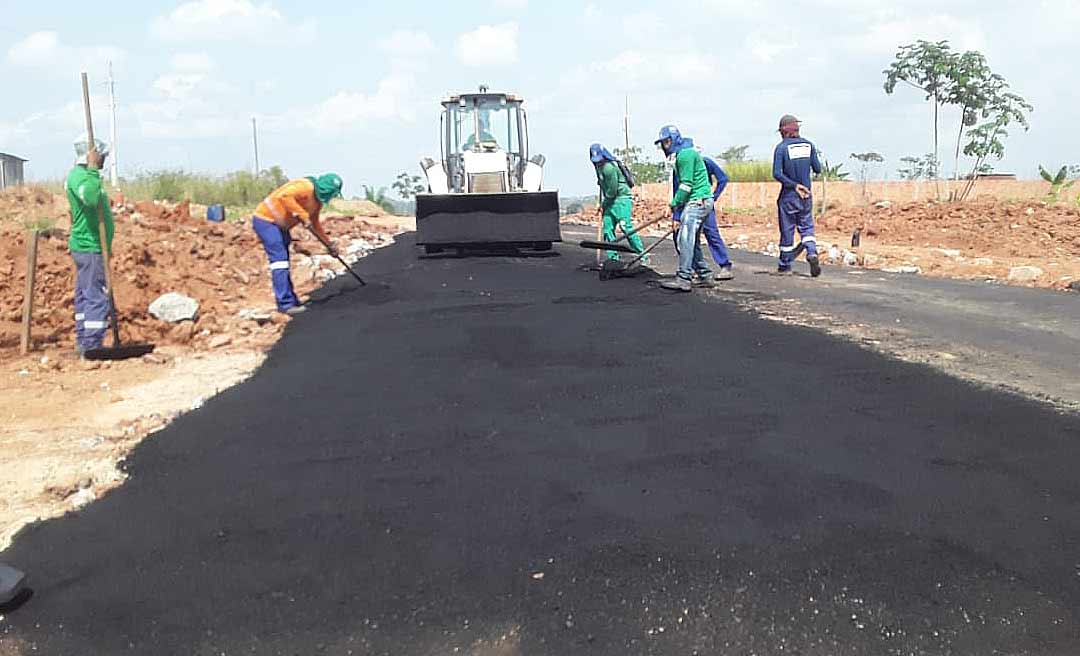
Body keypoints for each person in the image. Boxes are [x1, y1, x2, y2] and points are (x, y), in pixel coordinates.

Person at [252, 174, 343, 314]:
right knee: (279, 262)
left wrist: (329, 245)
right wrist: (302, 214)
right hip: (266, 221)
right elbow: (284, 196)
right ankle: (285, 304)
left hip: (281, 227)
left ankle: (291, 299)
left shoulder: (317, 203)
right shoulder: (305, 186)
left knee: (284, 262)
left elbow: (315, 225)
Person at [66, 136, 114, 355]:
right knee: (95, 294)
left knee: (85, 293)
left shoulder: (85, 176)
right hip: (89, 246)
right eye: (101, 156)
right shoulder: (81, 176)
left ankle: (84, 340)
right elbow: (91, 198)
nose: (104, 159)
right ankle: (92, 345)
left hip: (92, 247)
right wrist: (93, 169)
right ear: (91, 155)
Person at [655, 125, 714, 292]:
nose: (664, 147)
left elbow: (686, 186)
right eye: (663, 143)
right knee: (692, 242)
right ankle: (705, 274)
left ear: (673, 140)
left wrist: (672, 205)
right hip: (701, 201)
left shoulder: (685, 156)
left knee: (684, 239)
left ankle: (683, 279)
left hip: (697, 202)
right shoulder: (687, 153)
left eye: (666, 142)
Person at [772, 114, 823, 277]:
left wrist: (794, 185)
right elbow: (818, 169)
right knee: (807, 227)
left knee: (787, 230)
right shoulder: (809, 145)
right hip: (806, 195)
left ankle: (785, 266)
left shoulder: (781, 148)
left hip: (789, 196)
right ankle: (812, 252)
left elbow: (777, 173)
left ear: (783, 131)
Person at [674, 154, 733, 279]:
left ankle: (724, 265)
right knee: (684, 238)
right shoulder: (679, 166)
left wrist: (713, 197)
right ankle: (698, 270)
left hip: (702, 202)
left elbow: (722, 178)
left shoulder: (705, 162)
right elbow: (677, 191)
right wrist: (676, 216)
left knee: (711, 233)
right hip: (687, 205)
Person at [590, 143, 644, 262]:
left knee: (625, 227)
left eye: (599, 160)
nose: (597, 162)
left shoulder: (609, 168)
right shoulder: (597, 167)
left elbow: (612, 191)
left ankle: (642, 255)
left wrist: (603, 205)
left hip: (621, 199)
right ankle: (613, 259)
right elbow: (603, 184)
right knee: (607, 228)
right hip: (610, 200)